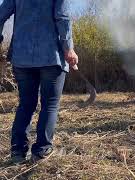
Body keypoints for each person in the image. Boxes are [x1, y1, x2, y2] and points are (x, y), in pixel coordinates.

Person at [0, 0, 78, 163]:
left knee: (26, 104)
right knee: (50, 104)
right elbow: (62, 17)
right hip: (51, 57)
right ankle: (41, 150)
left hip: (22, 57)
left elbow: (1, 15)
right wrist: (68, 48)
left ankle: (17, 152)